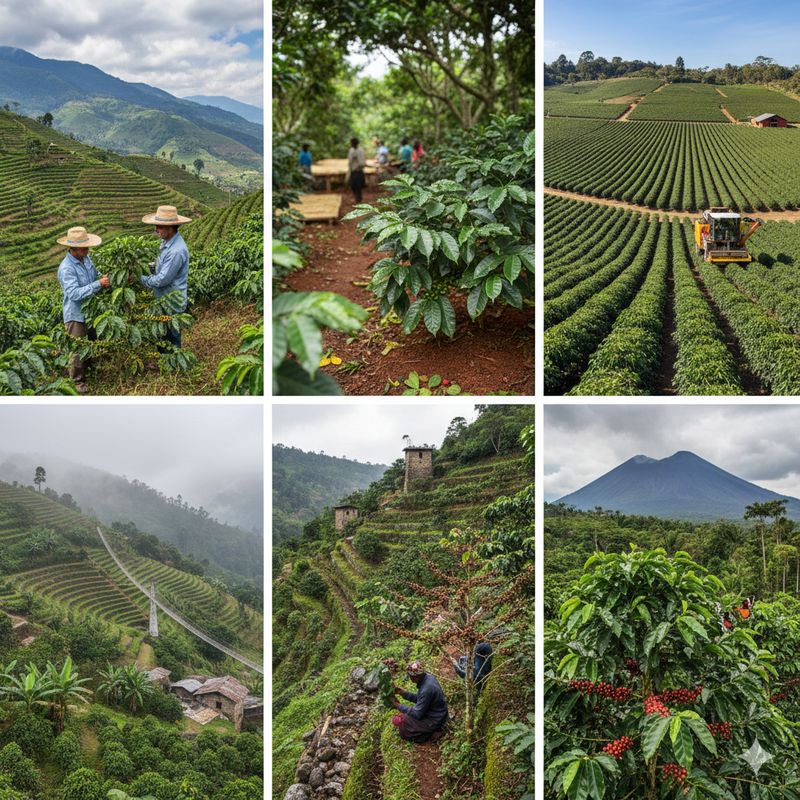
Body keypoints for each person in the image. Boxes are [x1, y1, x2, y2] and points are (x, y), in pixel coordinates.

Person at [56, 226, 111, 394]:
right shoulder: (67, 268)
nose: (88, 250)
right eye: (84, 247)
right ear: (73, 248)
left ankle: (92, 368)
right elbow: (74, 294)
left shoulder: (86, 259)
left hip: (91, 310)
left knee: (93, 341)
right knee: (77, 349)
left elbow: (95, 275)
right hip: (76, 314)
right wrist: (98, 285)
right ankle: (77, 381)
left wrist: (103, 279)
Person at [139, 205, 191, 348]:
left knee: (171, 339)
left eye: (159, 227)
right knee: (163, 336)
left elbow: (162, 279)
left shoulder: (176, 251)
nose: (156, 230)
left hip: (172, 304)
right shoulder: (167, 242)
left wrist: (140, 279)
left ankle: (174, 367)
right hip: (163, 301)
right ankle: (164, 363)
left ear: (170, 227)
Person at [390, 660, 448, 743]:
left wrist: (398, 705)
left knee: (403, 725)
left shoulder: (426, 689)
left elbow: (417, 714)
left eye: (410, 676)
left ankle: (431, 734)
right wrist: (403, 693)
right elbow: (421, 699)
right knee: (404, 716)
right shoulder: (428, 678)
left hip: (435, 719)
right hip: (437, 712)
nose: (410, 678)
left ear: (415, 677)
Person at [347, 137, 366, 204]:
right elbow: (350, 161)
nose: (351, 144)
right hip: (353, 171)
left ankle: (359, 199)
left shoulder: (360, 150)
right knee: (353, 187)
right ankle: (357, 198)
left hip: (358, 171)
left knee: (358, 187)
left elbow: (362, 163)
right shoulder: (351, 150)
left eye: (352, 143)